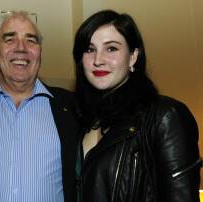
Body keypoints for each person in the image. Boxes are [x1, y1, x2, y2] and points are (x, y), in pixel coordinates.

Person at [73, 9, 201, 202]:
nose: (98, 60)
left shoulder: (165, 116)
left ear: (133, 57)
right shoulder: (81, 122)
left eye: (112, 48)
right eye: (90, 49)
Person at [0, 10, 80, 202]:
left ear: (40, 54)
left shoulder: (73, 109)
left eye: (31, 40)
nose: (21, 48)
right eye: (9, 39)